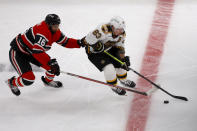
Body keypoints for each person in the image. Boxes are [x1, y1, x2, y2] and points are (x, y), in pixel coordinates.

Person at [6, 14, 84, 96]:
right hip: (18, 53)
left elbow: (66, 42)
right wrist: (51, 62)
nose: (57, 27)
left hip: (31, 51)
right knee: (28, 79)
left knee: (52, 67)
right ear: (48, 25)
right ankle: (11, 83)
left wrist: (79, 43)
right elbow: (37, 52)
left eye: (58, 25)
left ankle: (47, 81)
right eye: (54, 25)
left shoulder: (55, 31)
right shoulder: (43, 32)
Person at [81, 16, 136, 95]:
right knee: (109, 68)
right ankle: (114, 86)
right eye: (118, 29)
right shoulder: (103, 29)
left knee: (120, 63)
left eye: (122, 29)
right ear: (112, 27)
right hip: (94, 53)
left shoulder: (122, 33)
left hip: (108, 48)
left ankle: (123, 80)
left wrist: (123, 58)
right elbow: (88, 39)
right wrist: (97, 45)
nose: (120, 31)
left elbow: (120, 46)